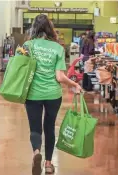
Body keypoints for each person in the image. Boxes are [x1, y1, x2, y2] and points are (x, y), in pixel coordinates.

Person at [23, 14, 82, 175]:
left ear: (34, 28)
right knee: (49, 127)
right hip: (52, 94)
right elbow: (59, 77)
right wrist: (74, 84)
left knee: (35, 129)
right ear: (50, 28)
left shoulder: (28, 46)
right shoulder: (58, 48)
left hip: (32, 93)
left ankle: (36, 153)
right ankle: (48, 164)